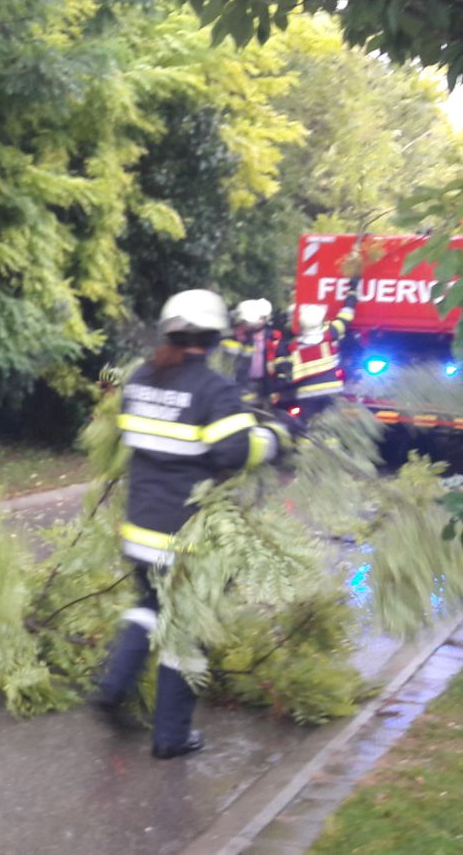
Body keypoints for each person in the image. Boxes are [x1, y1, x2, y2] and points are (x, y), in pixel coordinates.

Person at [89, 289, 290, 759]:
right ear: (215, 337)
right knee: (185, 630)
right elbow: (234, 452)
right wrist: (274, 438)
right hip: (187, 539)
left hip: (141, 530)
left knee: (148, 606)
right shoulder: (213, 389)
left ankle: (113, 685)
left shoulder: (141, 380)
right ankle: (171, 737)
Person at [272, 276, 359, 417]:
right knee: (330, 424)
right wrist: (352, 290)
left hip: (306, 395)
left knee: (309, 426)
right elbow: (346, 315)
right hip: (331, 390)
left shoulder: (293, 347)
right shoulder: (330, 334)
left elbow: (283, 373)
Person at [219, 297, 277, 405]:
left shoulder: (247, 339)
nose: (252, 326)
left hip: (244, 387)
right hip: (227, 389)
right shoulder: (226, 338)